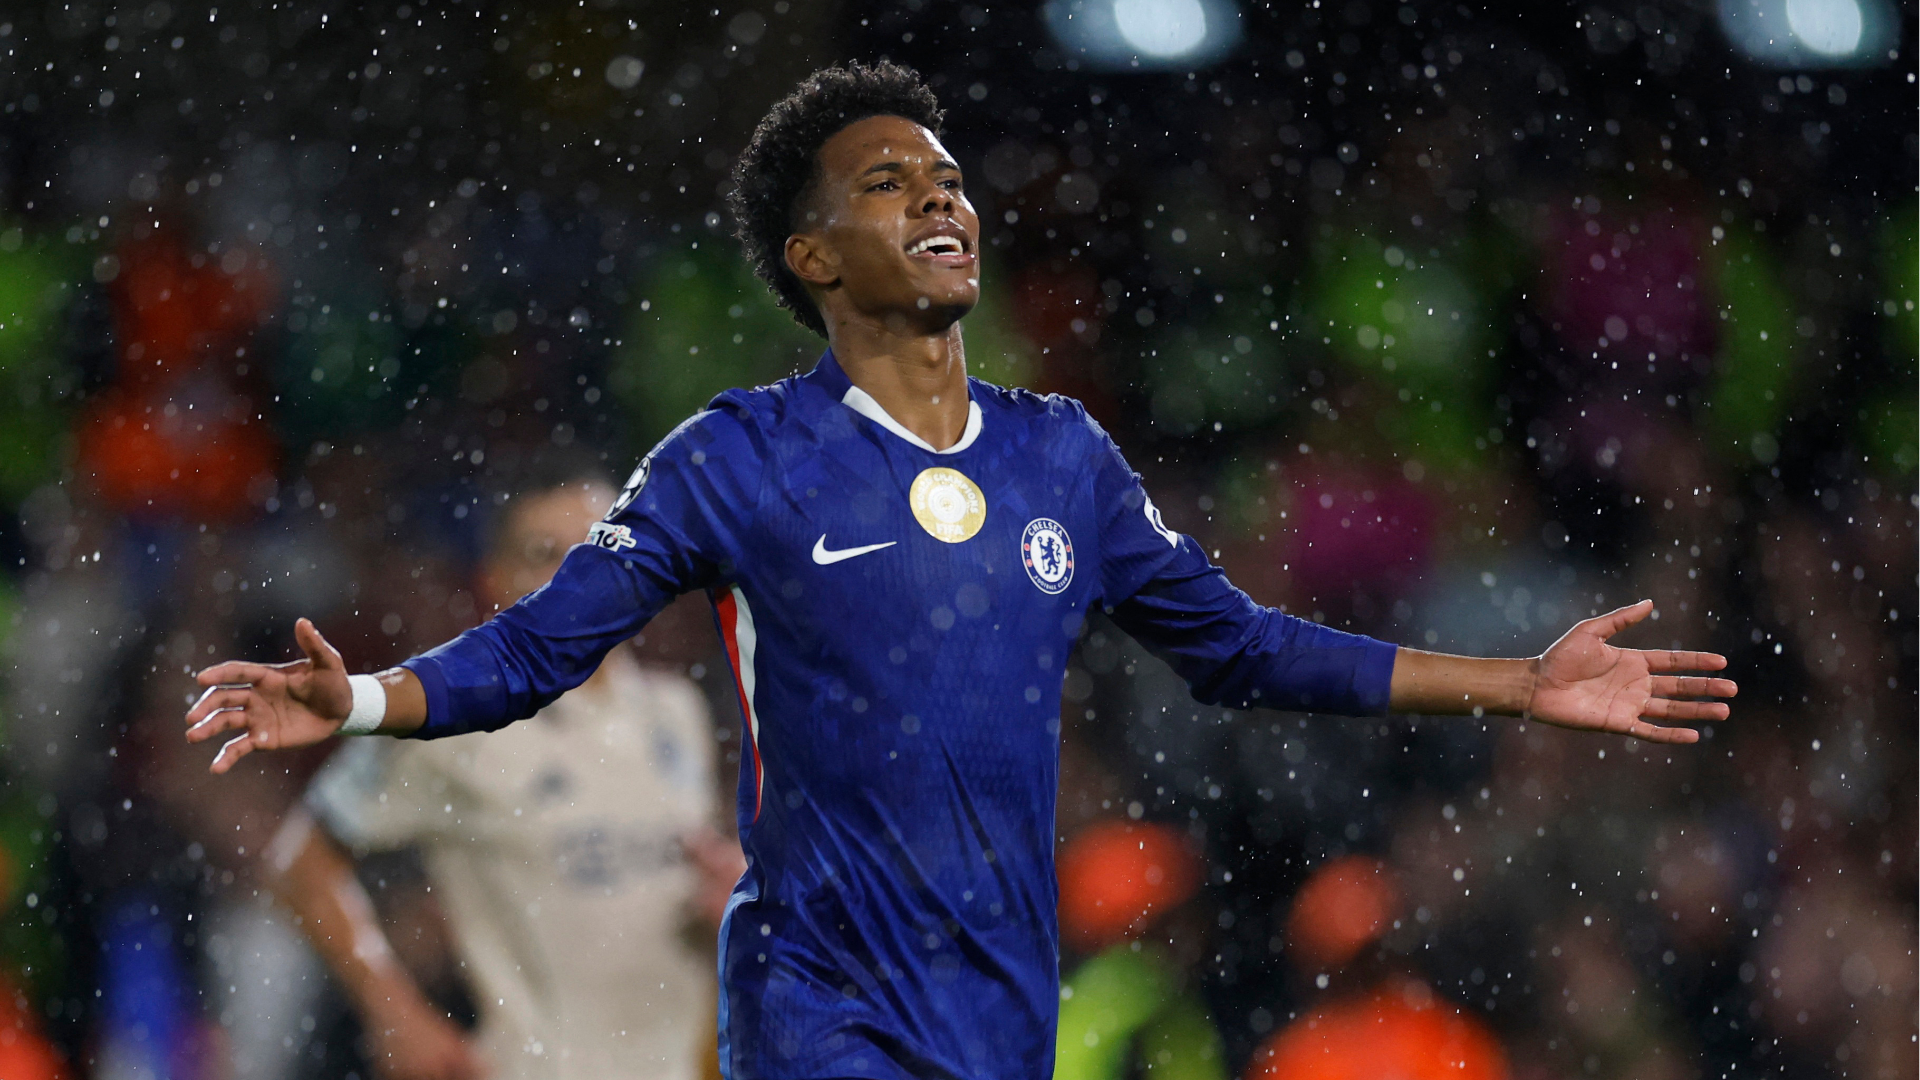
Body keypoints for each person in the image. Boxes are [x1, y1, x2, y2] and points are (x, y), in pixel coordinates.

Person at [184, 62, 1736, 1080]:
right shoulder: (738, 458)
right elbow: (536, 647)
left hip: (999, 1007)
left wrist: (1519, 686)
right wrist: (374, 699)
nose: (940, 195)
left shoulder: (1064, 460)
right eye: (885, 181)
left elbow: (1242, 647)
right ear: (810, 259)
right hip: (816, 1002)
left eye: (944, 176)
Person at [259, 460, 743, 1080]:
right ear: (496, 581)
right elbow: (301, 862)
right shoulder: (448, 720)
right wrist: (395, 1012)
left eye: (601, 545)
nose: (578, 575)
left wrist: (737, 904)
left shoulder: (676, 712)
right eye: (545, 554)